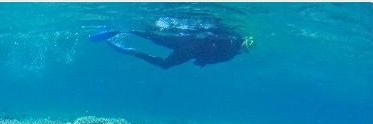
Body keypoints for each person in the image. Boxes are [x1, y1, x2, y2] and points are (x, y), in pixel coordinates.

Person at [91, 17, 254, 69]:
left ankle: (123, 32)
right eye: (248, 44)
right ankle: (129, 49)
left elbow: (213, 56)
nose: (245, 47)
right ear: (245, 40)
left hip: (188, 42)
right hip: (190, 48)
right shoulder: (231, 39)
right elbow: (212, 52)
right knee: (163, 62)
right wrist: (204, 59)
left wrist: (205, 59)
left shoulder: (232, 49)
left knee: (154, 37)